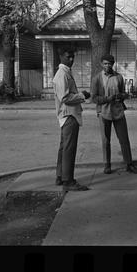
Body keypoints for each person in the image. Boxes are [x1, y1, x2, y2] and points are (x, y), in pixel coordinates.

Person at [91, 54, 137, 175]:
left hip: (118, 112)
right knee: (106, 140)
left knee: (124, 139)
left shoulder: (119, 77)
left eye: (109, 63)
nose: (107, 66)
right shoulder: (97, 78)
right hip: (104, 112)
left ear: (113, 64)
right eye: (105, 63)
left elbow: (124, 93)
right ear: (101, 64)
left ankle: (129, 164)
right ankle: (107, 165)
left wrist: (122, 96)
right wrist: (108, 99)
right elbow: (94, 98)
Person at [53, 50, 91, 191]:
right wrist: (82, 95)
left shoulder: (65, 72)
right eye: (68, 56)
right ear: (61, 56)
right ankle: (68, 181)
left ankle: (60, 176)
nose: (71, 59)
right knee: (69, 149)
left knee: (64, 147)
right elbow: (65, 98)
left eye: (72, 57)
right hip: (69, 115)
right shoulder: (62, 74)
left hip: (68, 115)